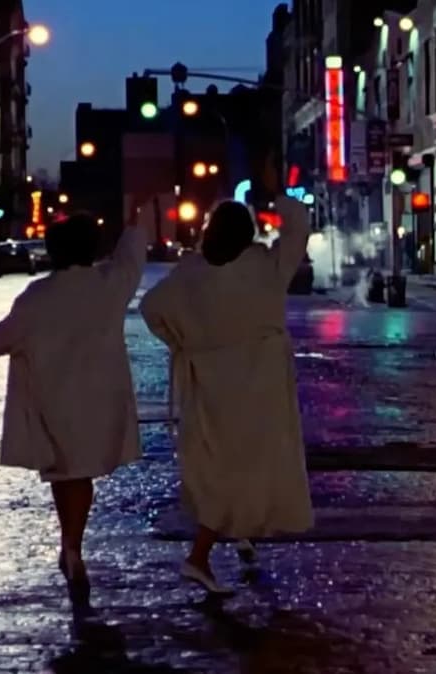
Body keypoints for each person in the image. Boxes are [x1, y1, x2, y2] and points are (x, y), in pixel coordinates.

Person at [0, 208, 147, 608]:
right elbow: (131, 258)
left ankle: (70, 546)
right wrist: (134, 223)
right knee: (80, 476)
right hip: (100, 398)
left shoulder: (36, 297)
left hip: (54, 400)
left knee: (65, 473)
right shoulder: (109, 286)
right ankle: (72, 547)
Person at [140, 158, 314, 595]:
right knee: (247, 465)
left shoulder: (190, 276)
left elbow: (151, 308)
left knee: (221, 462)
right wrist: (274, 191)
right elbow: (298, 227)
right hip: (259, 382)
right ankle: (199, 556)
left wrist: (184, 343)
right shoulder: (265, 267)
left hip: (211, 384)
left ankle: (241, 532)